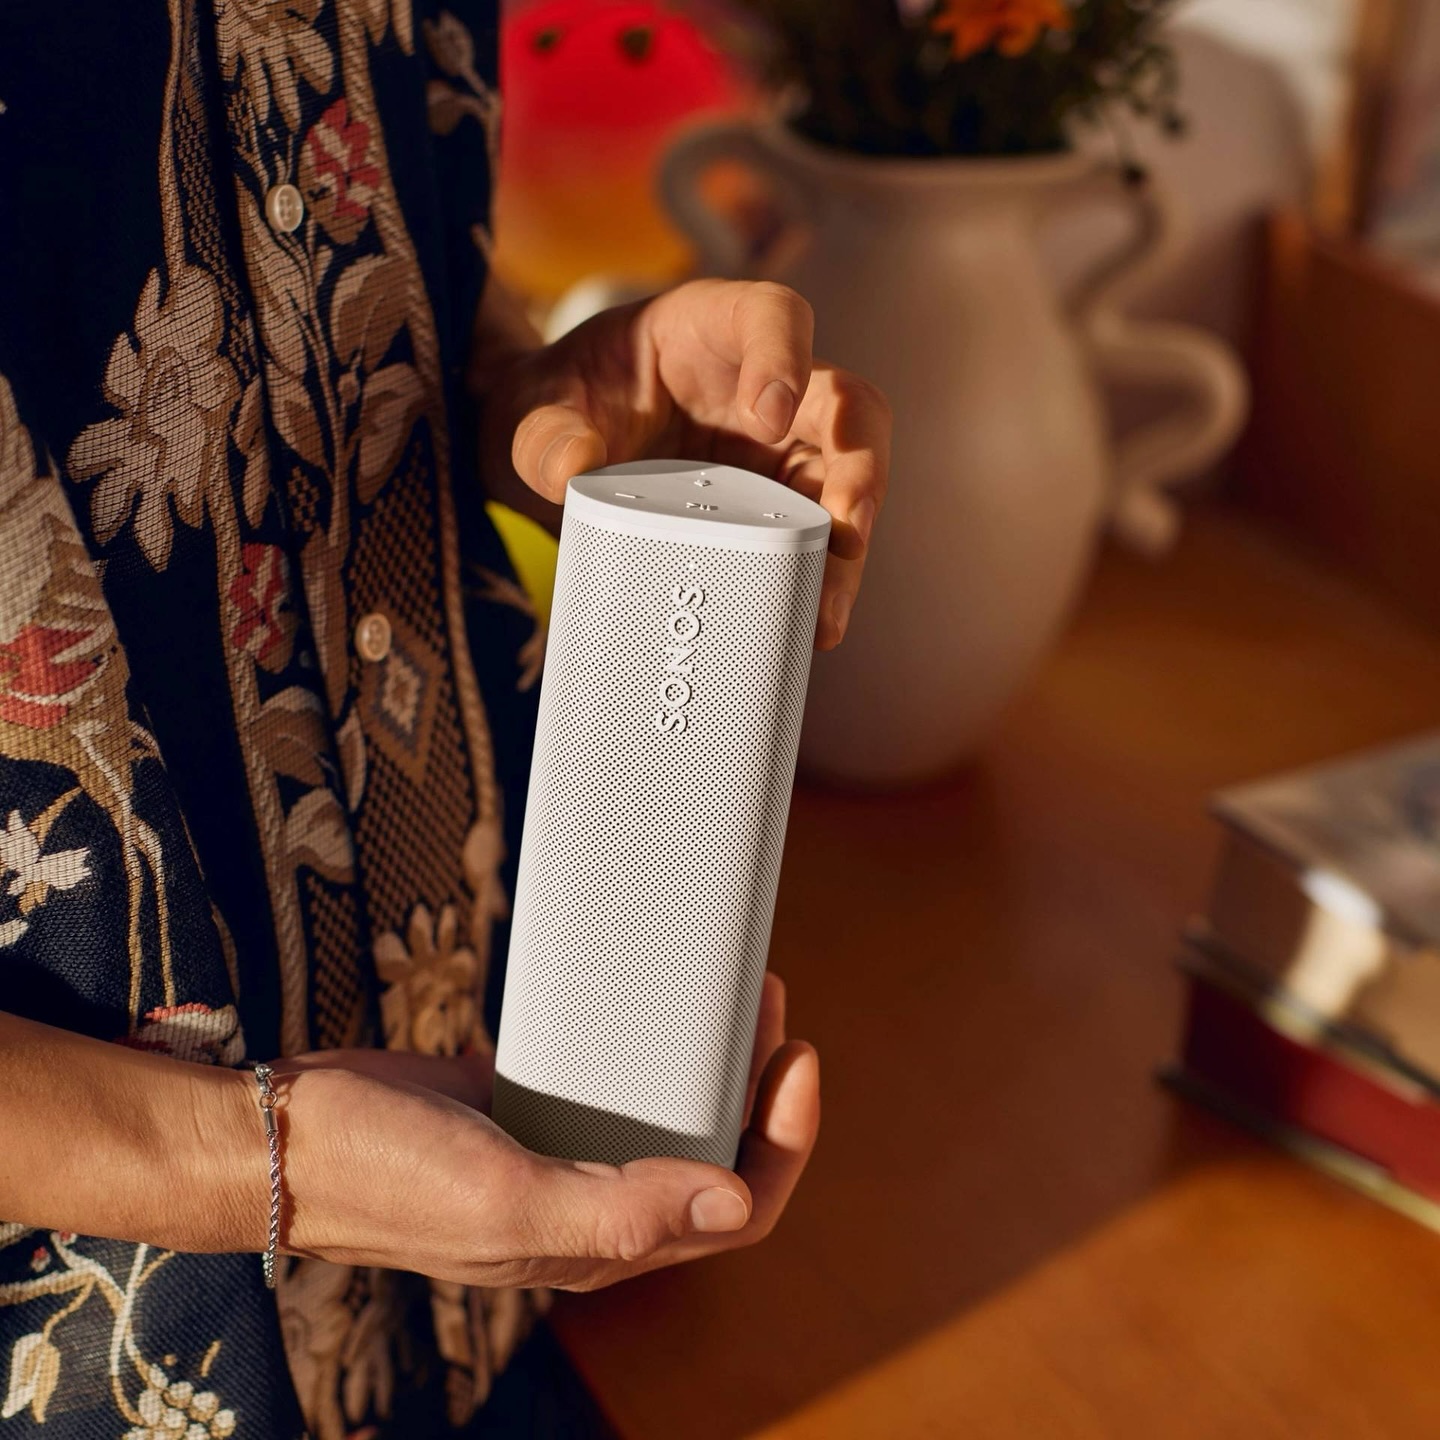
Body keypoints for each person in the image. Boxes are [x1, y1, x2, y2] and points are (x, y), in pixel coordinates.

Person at [0, 0, 891, 1434]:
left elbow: (330, 220)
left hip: (465, 1265)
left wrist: (536, 390)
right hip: (110, 1355)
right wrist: (266, 1165)